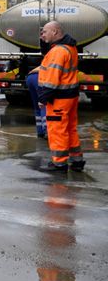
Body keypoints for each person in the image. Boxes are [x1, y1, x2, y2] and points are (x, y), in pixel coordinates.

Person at [36, 21, 84, 172]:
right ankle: (77, 160)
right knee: (70, 128)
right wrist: (44, 42)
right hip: (70, 96)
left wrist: (43, 98)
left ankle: (59, 163)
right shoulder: (70, 47)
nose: (42, 35)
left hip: (59, 99)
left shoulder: (58, 52)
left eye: (44, 32)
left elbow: (52, 79)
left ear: (55, 32)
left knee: (57, 130)